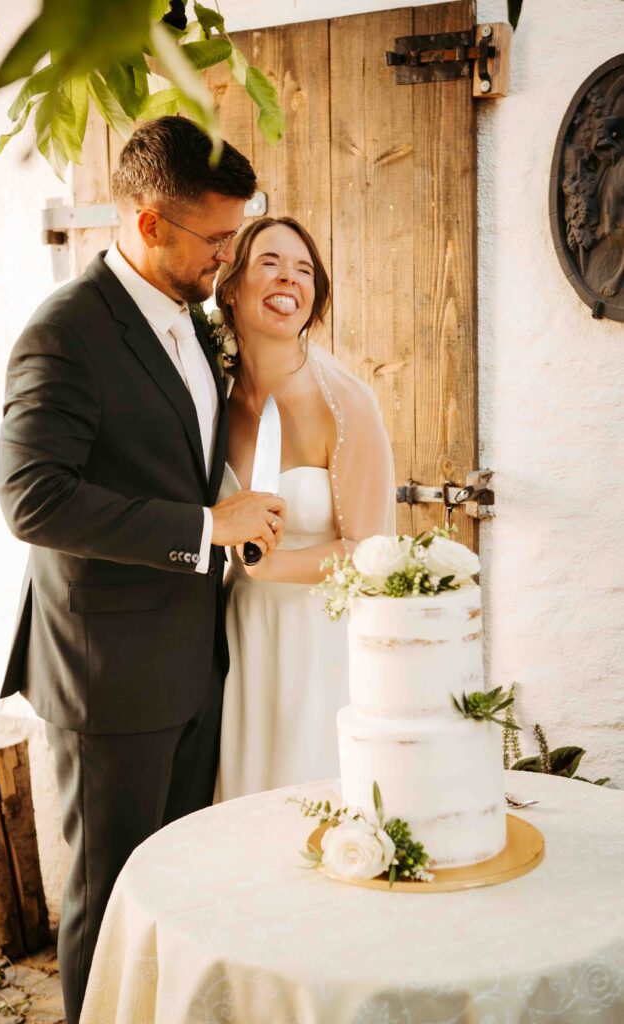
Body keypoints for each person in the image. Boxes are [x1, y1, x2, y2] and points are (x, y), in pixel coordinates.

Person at [0, 116, 286, 1024]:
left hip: (194, 658)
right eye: (215, 238)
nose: (227, 257)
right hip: (108, 675)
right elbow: (32, 499)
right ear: (149, 222)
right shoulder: (65, 333)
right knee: (109, 901)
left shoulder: (194, 320)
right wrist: (204, 526)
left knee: (176, 889)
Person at [214, 217, 395, 799]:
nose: (288, 278)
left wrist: (269, 567)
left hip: (318, 642)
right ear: (231, 285)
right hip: (239, 637)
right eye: (269, 262)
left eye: (304, 270)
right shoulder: (209, 394)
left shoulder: (344, 402)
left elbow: (366, 550)